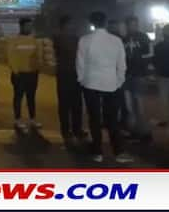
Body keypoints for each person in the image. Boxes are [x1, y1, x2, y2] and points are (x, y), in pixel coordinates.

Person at [77, 11, 133, 163]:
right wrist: (119, 81)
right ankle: (118, 152)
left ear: (92, 24)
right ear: (106, 23)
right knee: (112, 119)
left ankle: (97, 152)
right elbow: (122, 64)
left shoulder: (85, 40)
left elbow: (80, 63)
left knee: (94, 118)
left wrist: (82, 80)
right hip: (111, 83)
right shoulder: (116, 41)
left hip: (90, 82)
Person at [52, 15, 86, 144]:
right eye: (70, 24)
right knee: (65, 104)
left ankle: (77, 129)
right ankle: (66, 130)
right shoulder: (58, 38)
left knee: (77, 104)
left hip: (76, 74)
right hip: (64, 74)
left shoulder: (77, 38)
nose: (72, 26)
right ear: (64, 25)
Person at [6, 18, 43, 131]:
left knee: (31, 97)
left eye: (30, 26)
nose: (29, 28)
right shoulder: (14, 41)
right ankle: (18, 120)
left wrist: (38, 68)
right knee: (18, 97)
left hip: (32, 73)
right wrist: (15, 71)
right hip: (19, 74)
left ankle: (32, 119)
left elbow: (38, 56)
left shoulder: (34, 41)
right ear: (21, 27)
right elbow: (10, 57)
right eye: (27, 26)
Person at [122, 16, 153, 141]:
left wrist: (141, 62)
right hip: (127, 76)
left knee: (139, 106)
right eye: (130, 24)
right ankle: (134, 131)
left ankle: (145, 133)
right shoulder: (123, 39)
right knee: (129, 106)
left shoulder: (144, 37)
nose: (132, 26)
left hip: (139, 75)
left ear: (137, 24)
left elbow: (151, 54)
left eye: (134, 24)